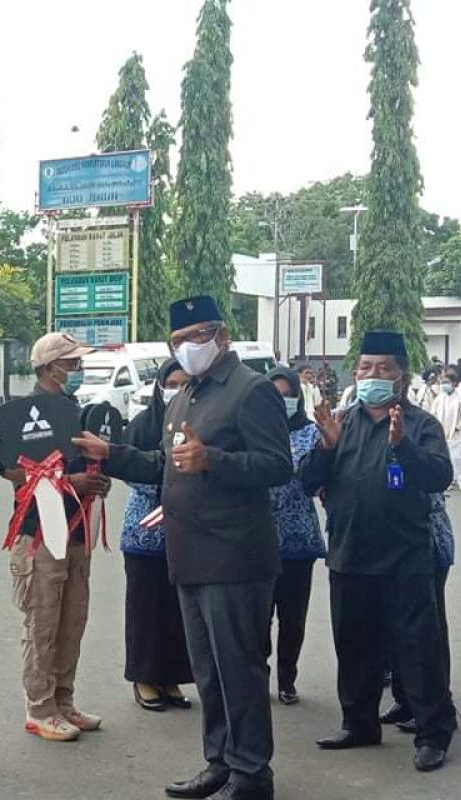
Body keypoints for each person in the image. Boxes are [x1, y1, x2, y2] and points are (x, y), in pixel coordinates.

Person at [73, 296, 291, 800]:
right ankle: (220, 761)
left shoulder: (250, 390)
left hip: (234, 556)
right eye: (178, 340)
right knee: (209, 671)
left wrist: (211, 458)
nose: (188, 347)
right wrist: (113, 455)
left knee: (238, 668)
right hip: (189, 553)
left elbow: (277, 465)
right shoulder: (184, 394)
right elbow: (163, 463)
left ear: (222, 336)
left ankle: (252, 773)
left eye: (197, 336)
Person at [302, 330, 456, 773]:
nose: (373, 375)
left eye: (384, 368)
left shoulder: (420, 423)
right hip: (349, 554)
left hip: (406, 558)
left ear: (400, 376)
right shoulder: (341, 422)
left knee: (417, 649)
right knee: (353, 645)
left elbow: (438, 477)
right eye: (366, 367)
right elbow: (306, 483)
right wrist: (326, 448)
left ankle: (432, 733)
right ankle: (358, 723)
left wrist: (402, 445)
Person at [0, 332, 110, 744]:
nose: (78, 371)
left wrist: (97, 483)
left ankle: (64, 700)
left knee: (72, 621)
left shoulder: (75, 410)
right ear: (50, 368)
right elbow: (10, 470)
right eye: (72, 363)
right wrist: (70, 482)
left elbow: (88, 464)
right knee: (42, 622)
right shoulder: (20, 415)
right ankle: (40, 707)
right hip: (39, 531)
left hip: (77, 530)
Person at [119, 359, 194, 713]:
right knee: (145, 610)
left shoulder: (195, 426)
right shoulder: (141, 426)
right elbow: (129, 470)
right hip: (144, 534)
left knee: (178, 612)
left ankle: (172, 677)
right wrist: (172, 486)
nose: (178, 390)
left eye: (185, 383)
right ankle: (144, 678)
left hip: (185, 534)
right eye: (172, 383)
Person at [265, 368, 326, 707]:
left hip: (299, 539)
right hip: (259, 538)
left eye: (287, 395)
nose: (281, 401)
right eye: (273, 395)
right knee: (259, 616)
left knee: (293, 617)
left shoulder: (311, 433)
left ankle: (287, 678)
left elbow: (315, 477)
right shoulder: (254, 431)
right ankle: (258, 675)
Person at [381, 492, 456, 735]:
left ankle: (440, 701)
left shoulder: (418, 452)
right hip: (394, 547)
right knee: (396, 628)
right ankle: (406, 700)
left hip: (427, 544)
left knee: (428, 630)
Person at [431, 369, 461, 492]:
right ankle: (450, 480)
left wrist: (458, 426)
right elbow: (433, 413)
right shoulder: (439, 398)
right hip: (442, 431)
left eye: (447, 382)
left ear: (454, 383)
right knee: (446, 458)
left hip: (455, 432)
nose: (444, 384)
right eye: (443, 382)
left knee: (457, 457)